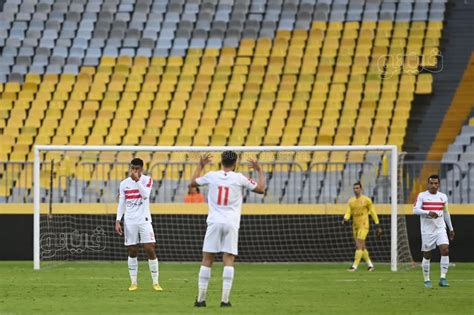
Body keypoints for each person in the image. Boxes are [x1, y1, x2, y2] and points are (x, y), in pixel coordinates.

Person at [189, 151, 265, 307]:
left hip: (214, 222)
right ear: (235, 163)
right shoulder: (240, 178)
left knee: (207, 259)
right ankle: (224, 300)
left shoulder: (211, 175)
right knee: (229, 259)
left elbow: (192, 183)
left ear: (221, 162)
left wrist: (200, 165)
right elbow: (261, 189)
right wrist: (259, 170)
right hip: (231, 223)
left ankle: (201, 300)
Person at [115, 158, 163, 292]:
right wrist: (118, 220)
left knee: (149, 248)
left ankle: (156, 282)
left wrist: (137, 181)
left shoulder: (147, 180)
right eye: (132, 168)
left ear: (141, 169)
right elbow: (122, 202)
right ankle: (134, 283)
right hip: (130, 221)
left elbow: (145, 195)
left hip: (144, 219)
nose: (134, 171)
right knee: (132, 250)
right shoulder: (124, 184)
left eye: (137, 168)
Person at [413, 174, 454, 288]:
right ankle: (427, 280)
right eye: (431, 183)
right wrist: (428, 212)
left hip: (440, 228)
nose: (433, 185)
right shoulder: (422, 196)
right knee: (427, 255)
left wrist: (450, 228)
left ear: (439, 185)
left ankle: (443, 278)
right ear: (427, 184)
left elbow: (446, 212)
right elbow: (415, 210)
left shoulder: (443, 197)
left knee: (445, 249)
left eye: (436, 183)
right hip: (427, 230)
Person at [342, 182, 382, 272]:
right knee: (362, 247)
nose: (355, 190)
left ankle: (354, 266)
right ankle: (370, 266)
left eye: (357, 188)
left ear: (361, 189)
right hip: (355, 225)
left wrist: (377, 224)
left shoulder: (366, 200)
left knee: (358, 245)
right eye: (354, 188)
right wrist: (345, 219)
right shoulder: (351, 201)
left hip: (364, 225)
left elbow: (373, 212)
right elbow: (348, 212)